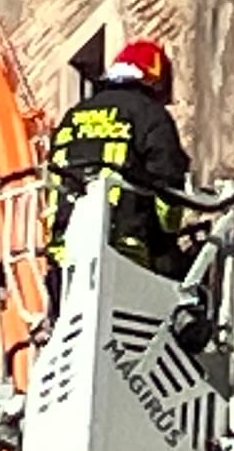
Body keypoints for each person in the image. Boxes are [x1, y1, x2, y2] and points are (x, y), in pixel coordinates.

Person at [48, 36, 195, 275]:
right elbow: (168, 177)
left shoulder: (72, 116)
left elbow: (55, 175)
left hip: (66, 253)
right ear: (154, 79)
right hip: (125, 246)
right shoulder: (149, 113)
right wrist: (167, 237)